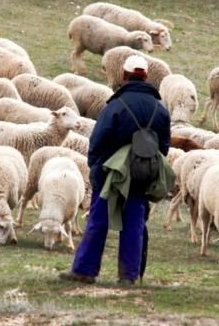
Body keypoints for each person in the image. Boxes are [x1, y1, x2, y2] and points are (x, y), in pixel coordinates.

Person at [59, 55, 171, 286]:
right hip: (142, 173)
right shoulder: (160, 109)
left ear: (124, 76)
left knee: (98, 220)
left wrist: (96, 167)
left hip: (112, 172)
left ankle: (84, 270)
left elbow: (99, 139)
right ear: (146, 77)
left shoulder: (117, 105)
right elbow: (164, 146)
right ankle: (128, 276)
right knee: (134, 223)